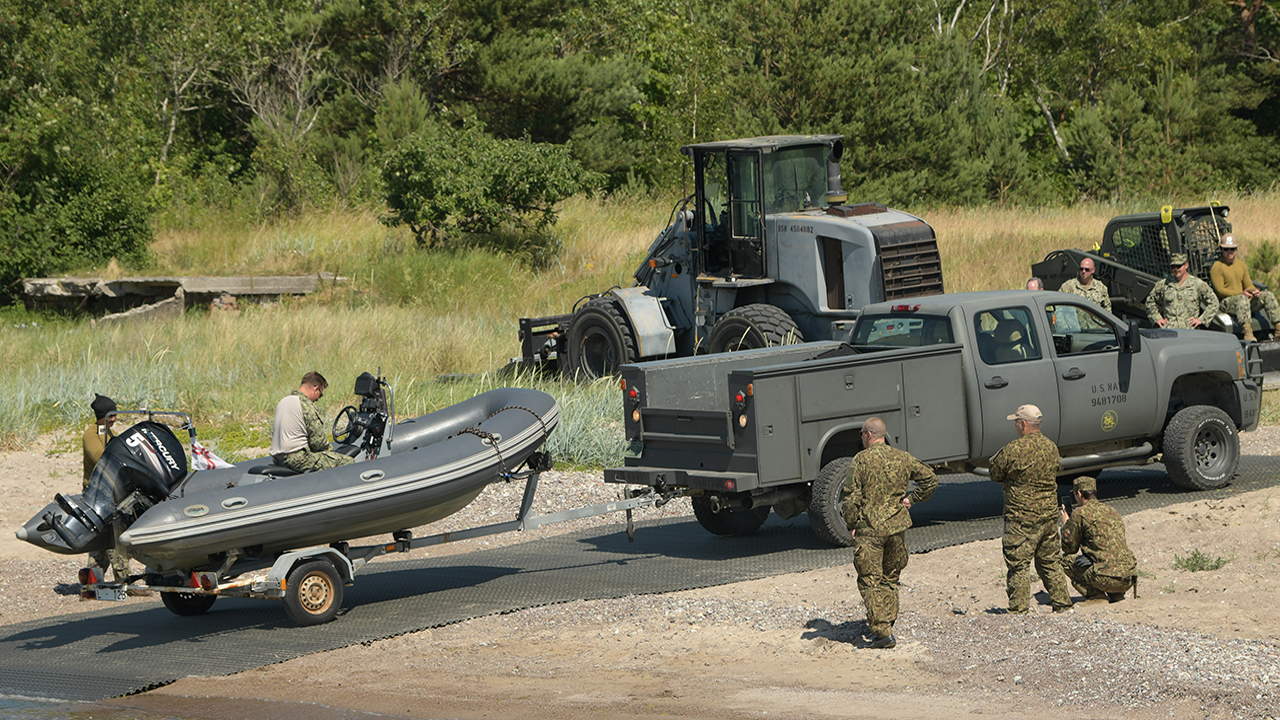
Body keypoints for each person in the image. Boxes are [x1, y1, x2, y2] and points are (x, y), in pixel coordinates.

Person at [842, 417, 938, 649]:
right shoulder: (902, 457)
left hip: (871, 531)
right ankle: (888, 621)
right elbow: (930, 479)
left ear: (868, 435)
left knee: (869, 580)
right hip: (896, 527)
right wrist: (912, 499)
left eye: (862, 434)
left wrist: (851, 523)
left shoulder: (861, 460)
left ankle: (882, 632)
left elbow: (851, 498)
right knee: (890, 577)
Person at [988, 404, 1073, 614]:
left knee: (1018, 565)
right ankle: (1063, 604)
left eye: (1017, 422)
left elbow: (995, 472)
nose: (1016, 426)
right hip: (1047, 516)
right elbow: (1057, 469)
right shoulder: (1051, 447)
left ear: (1023, 424)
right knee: (1050, 562)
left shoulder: (1014, 449)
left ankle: (1019, 610)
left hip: (1021, 519)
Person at [1059, 477, 1138, 602]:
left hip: (1106, 577)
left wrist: (1066, 525)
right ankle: (1116, 594)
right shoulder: (1111, 511)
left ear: (1079, 493)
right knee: (1104, 560)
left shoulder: (1080, 513)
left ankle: (1096, 596)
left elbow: (1069, 548)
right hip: (1128, 577)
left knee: (1065, 561)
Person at [82, 393, 130, 582]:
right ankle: (123, 579)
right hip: (96, 493)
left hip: (110, 491)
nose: (114, 419)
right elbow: (101, 457)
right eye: (111, 415)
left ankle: (93, 580)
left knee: (101, 539)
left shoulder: (110, 434)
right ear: (101, 415)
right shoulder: (91, 434)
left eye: (115, 415)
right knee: (113, 535)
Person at [270, 371, 354, 473]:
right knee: (347, 462)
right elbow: (318, 442)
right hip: (297, 459)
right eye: (320, 394)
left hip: (278, 459)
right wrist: (331, 452)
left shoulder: (284, 401)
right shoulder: (305, 405)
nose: (318, 399)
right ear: (315, 388)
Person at [1209, 233, 1280, 342]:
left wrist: (1254, 291)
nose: (1230, 252)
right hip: (1226, 302)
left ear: (1236, 250)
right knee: (1242, 299)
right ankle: (1248, 332)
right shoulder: (1217, 267)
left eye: (1232, 249)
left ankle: (1278, 328)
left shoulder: (1241, 265)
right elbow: (1220, 290)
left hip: (1243, 299)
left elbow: (1248, 285)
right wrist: (1240, 293)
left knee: (1267, 295)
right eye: (1226, 249)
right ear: (1222, 250)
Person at [1145, 253, 1217, 329]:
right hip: (1170, 330)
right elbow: (1150, 301)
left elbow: (1214, 302)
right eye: (1173, 267)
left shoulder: (1197, 284)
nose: (1176, 269)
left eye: (1179, 266)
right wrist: (1157, 318)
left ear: (1186, 265)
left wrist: (1202, 320)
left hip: (1190, 331)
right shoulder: (1164, 284)